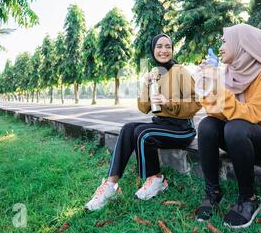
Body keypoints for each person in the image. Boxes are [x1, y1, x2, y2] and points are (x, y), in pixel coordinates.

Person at [85, 33, 202, 211]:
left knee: (143, 133)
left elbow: (196, 102)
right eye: (159, 46)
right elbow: (144, 108)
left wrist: (169, 102)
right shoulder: (155, 74)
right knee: (128, 128)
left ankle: (157, 180)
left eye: (168, 46)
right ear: (153, 50)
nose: (164, 50)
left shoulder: (180, 71)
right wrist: (146, 84)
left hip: (181, 128)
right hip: (161, 124)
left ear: (172, 49)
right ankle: (111, 186)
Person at [195, 24, 261, 228]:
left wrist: (219, 90)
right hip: (237, 138)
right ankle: (213, 192)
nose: (221, 45)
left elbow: (253, 113)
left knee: (235, 127)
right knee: (207, 125)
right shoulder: (227, 71)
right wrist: (207, 85)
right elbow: (216, 112)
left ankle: (249, 198)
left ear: (242, 44)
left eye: (225, 40)